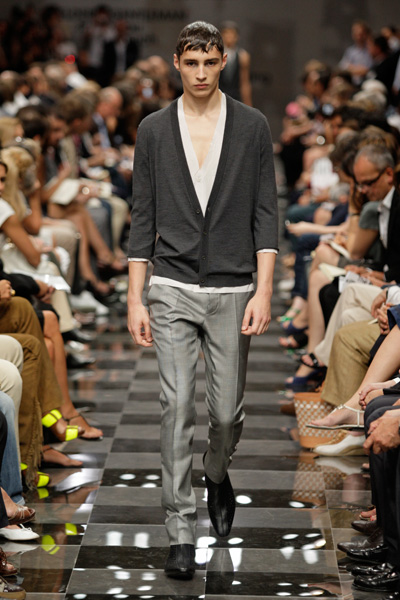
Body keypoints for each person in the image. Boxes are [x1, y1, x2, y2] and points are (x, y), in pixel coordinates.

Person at [127, 21, 278, 580]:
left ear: (222, 63)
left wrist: (264, 290)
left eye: (209, 62)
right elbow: (142, 215)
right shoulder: (153, 129)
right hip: (170, 286)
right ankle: (180, 529)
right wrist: (135, 298)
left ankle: (216, 473)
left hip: (234, 288)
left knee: (227, 414)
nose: (200, 73)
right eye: (191, 63)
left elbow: (266, 211)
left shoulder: (252, 125)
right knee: (176, 407)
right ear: (177, 63)